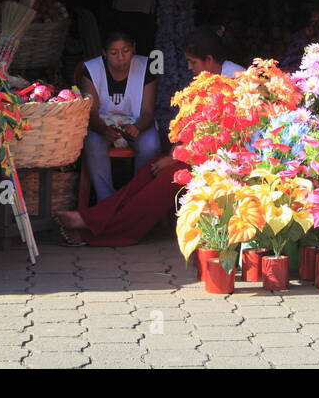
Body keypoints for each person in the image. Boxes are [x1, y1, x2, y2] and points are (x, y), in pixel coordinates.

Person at [55, 25, 242, 248]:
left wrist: (177, 157)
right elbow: (203, 130)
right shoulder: (213, 76)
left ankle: (95, 232)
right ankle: (94, 217)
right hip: (200, 155)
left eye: (193, 62)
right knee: (151, 168)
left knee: (166, 178)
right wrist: (177, 153)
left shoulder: (234, 80)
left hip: (226, 161)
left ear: (209, 59)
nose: (189, 68)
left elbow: (224, 136)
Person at [78, 31, 159, 205]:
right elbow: (91, 113)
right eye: (114, 53)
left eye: (126, 51)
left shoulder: (145, 67)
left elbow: (148, 112)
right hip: (102, 123)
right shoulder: (92, 70)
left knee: (151, 145)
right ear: (104, 53)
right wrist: (103, 129)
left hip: (138, 122)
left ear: (134, 49)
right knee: (93, 143)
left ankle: (137, 199)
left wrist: (138, 127)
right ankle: (106, 201)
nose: (121, 58)